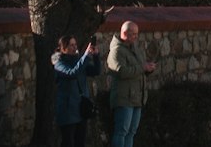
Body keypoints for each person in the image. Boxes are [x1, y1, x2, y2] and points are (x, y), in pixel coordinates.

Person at [108, 19, 156, 147]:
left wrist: (148, 69)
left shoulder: (136, 49)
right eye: (133, 34)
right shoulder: (116, 51)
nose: (136, 37)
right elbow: (121, 71)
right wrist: (142, 68)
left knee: (131, 132)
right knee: (121, 131)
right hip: (124, 98)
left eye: (136, 34)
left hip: (137, 98)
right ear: (124, 33)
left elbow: (140, 68)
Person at [52, 35, 100, 147]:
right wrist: (86, 56)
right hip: (67, 111)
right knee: (68, 142)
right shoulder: (59, 64)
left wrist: (96, 56)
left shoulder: (79, 61)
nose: (74, 47)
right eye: (71, 45)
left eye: (75, 45)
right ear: (63, 48)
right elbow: (72, 73)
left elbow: (96, 71)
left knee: (80, 142)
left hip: (80, 110)